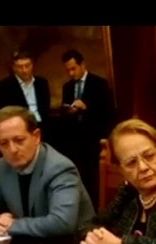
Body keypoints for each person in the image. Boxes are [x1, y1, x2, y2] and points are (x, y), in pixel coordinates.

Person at [0, 106, 95, 238]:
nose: (12, 150)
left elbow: (62, 222)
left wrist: (11, 225)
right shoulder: (2, 167)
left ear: (36, 136)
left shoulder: (60, 168)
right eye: (4, 143)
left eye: (19, 140)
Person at [61, 48, 116, 207]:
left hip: (95, 138)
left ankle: (99, 206)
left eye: (73, 69)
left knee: (96, 177)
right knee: (80, 176)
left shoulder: (99, 83)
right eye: (68, 70)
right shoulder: (67, 87)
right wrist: (69, 111)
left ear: (82, 65)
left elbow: (108, 112)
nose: (71, 73)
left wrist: (86, 107)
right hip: (76, 141)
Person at [0, 50, 51, 136]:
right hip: (17, 129)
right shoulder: (3, 86)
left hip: (42, 126)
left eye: (27, 66)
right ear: (14, 68)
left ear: (32, 65)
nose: (24, 70)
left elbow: (46, 109)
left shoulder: (42, 83)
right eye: (20, 67)